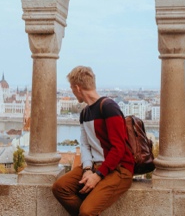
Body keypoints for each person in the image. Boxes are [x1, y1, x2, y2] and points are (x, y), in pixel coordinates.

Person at [52, 66, 134, 216]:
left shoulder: (109, 107)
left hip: (119, 169)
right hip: (96, 165)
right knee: (60, 188)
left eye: (71, 88)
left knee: (87, 211)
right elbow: (85, 144)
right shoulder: (84, 113)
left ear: (77, 88)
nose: (72, 91)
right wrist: (88, 169)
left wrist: (97, 176)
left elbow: (119, 148)